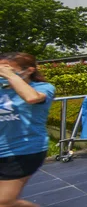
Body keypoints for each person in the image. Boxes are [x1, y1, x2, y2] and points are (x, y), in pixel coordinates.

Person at [0, 53, 54, 207]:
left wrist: (9, 75)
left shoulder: (43, 88)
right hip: (2, 147)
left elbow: (31, 98)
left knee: (4, 202)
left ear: (29, 70)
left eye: (9, 69)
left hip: (24, 151)